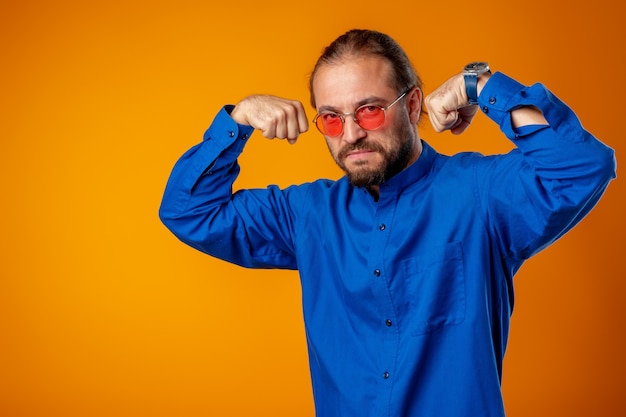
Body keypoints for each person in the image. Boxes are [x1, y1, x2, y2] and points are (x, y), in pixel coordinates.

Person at [159, 29, 616, 416]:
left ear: (412, 103)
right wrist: (236, 122)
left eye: (370, 109)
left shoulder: (480, 193)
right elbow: (188, 210)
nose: (352, 133)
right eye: (331, 119)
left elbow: (582, 165)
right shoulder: (306, 215)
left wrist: (481, 85)